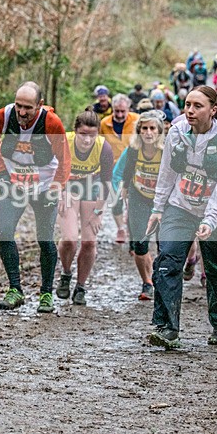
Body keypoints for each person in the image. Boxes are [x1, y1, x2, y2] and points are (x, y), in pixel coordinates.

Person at [146, 85, 217, 348]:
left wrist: (210, 220)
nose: (189, 110)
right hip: (181, 206)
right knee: (167, 261)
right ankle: (167, 328)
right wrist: (157, 209)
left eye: (197, 106)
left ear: (213, 110)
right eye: (187, 104)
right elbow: (166, 174)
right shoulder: (176, 132)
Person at [0, 82, 70, 313]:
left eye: (28, 108)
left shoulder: (52, 123)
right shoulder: (2, 117)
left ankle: (46, 293)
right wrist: (1, 173)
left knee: (44, 238)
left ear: (40, 105)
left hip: (44, 185)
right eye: (18, 106)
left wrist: (57, 187)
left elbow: (64, 158)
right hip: (14, 184)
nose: (22, 112)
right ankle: (15, 289)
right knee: (4, 232)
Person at [56, 111, 114, 306]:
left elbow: (107, 183)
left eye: (92, 134)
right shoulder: (65, 141)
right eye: (83, 134)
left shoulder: (104, 147)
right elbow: (53, 169)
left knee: (89, 241)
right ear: (75, 131)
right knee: (70, 238)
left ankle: (80, 286)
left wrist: (98, 213)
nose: (87, 139)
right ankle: (65, 273)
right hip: (68, 186)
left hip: (92, 186)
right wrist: (60, 191)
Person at [112, 110, 166, 300]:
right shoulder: (134, 149)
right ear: (139, 130)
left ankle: (162, 279)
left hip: (162, 200)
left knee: (164, 244)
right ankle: (147, 282)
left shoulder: (166, 150)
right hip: (139, 196)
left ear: (159, 131)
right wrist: (124, 190)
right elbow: (126, 170)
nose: (149, 132)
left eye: (152, 128)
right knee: (140, 243)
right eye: (145, 128)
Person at [100, 94, 139, 244]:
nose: (120, 115)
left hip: (133, 167)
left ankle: (133, 228)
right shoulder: (104, 123)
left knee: (133, 200)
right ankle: (120, 228)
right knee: (116, 200)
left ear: (129, 109)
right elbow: (100, 143)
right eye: (117, 111)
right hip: (112, 168)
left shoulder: (137, 120)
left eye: (123, 111)